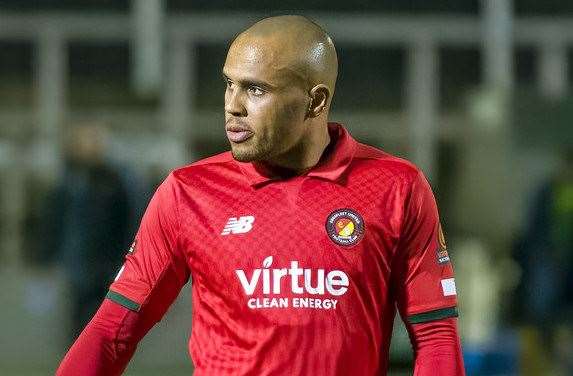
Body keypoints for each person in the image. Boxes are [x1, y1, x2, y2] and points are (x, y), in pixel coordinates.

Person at [57, 15, 464, 375]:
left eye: (254, 90)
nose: (232, 106)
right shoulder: (189, 193)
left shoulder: (396, 187)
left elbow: (436, 340)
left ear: (315, 100)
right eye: (228, 84)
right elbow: (112, 333)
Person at [39, 123, 131, 343]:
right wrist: (45, 254)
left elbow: (123, 221)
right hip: (76, 259)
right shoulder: (67, 181)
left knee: (100, 315)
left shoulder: (112, 181)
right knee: (78, 313)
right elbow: (55, 220)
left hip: (104, 259)